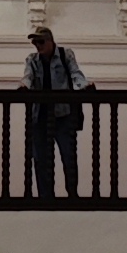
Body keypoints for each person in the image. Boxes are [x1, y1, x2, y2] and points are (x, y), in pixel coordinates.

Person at [24, 22, 91, 199]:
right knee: (41, 159)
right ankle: (45, 197)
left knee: (68, 156)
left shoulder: (64, 55)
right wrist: (24, 87)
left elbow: (75, 73)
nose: (37, 46)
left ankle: (72, 194)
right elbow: (27, 77)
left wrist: (84, 86)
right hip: (41, 116)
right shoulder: (32, 60)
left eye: (40, 42)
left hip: (63, 115)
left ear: (50, 41)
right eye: (35, 43)